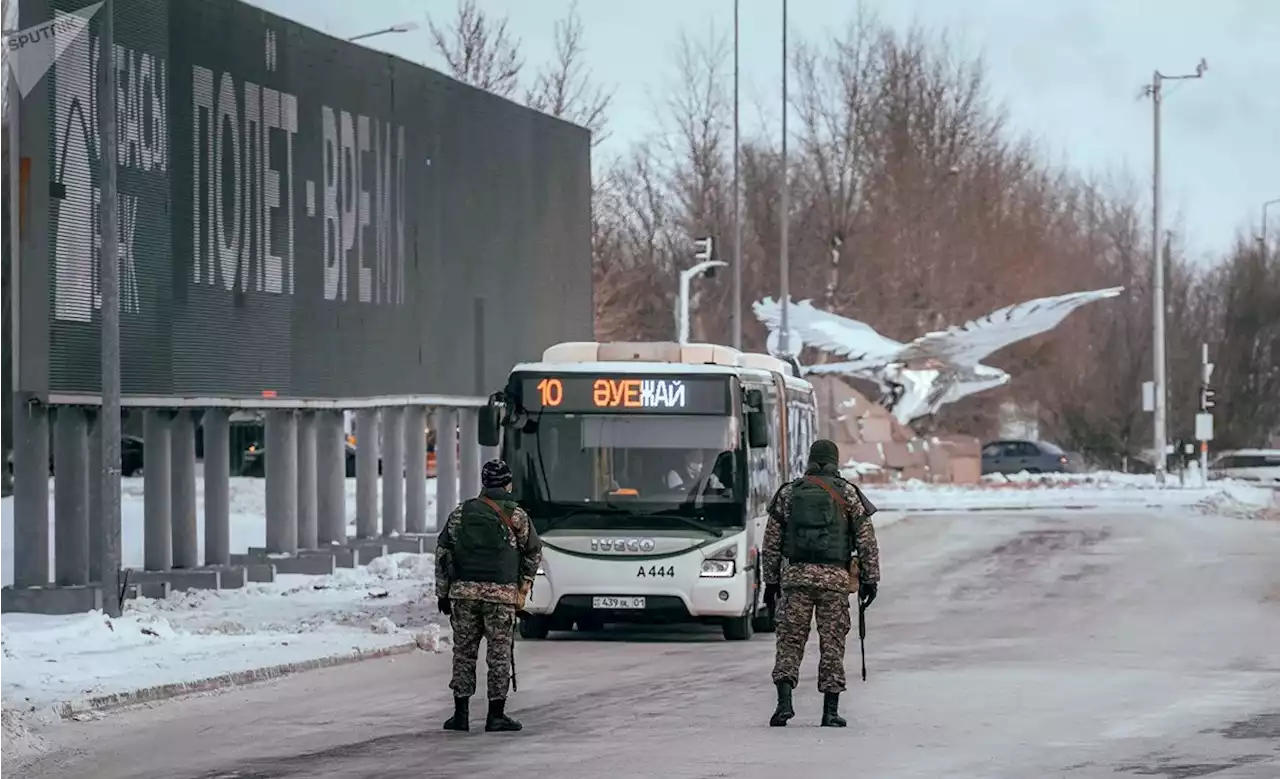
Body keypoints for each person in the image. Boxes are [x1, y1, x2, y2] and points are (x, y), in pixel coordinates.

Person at [761, 439, 880, 728]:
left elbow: (771, 542)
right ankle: (830, 712)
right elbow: (866, 541)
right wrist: (869, 579)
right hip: (835, 581)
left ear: (811, 461)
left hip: (796, 579)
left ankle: (784, 704)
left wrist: (771, 581)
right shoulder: (849, 494)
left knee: (789, 641)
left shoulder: (789, 493)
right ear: (835, 462)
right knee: (832, 644)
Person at [435, 459, 543, 733]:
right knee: (498, 655)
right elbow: (532, 552)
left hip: (464, 594)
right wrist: (523, 587)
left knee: (463, 654)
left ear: (483, 482)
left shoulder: (461, 512)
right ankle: (496, 716)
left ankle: (460, 715)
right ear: (508, 483)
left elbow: (443, 552)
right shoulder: (516, 515)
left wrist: (443, 593)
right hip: (501, 597)